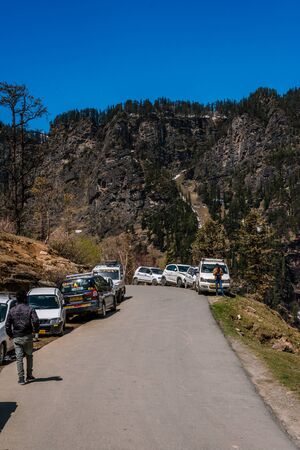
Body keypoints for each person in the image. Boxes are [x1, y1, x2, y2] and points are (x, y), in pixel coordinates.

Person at [5, 289, 39, 385]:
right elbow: (36, 321)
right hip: (27, 336)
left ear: (17, 299)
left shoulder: (12, 310)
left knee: (19, 358)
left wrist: (11, 335)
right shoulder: (30, 309)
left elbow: (7, 325)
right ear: (25, 298)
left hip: (17, 337)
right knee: (29, 355)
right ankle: (29, 375)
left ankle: (21, 378)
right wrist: (35, 331)